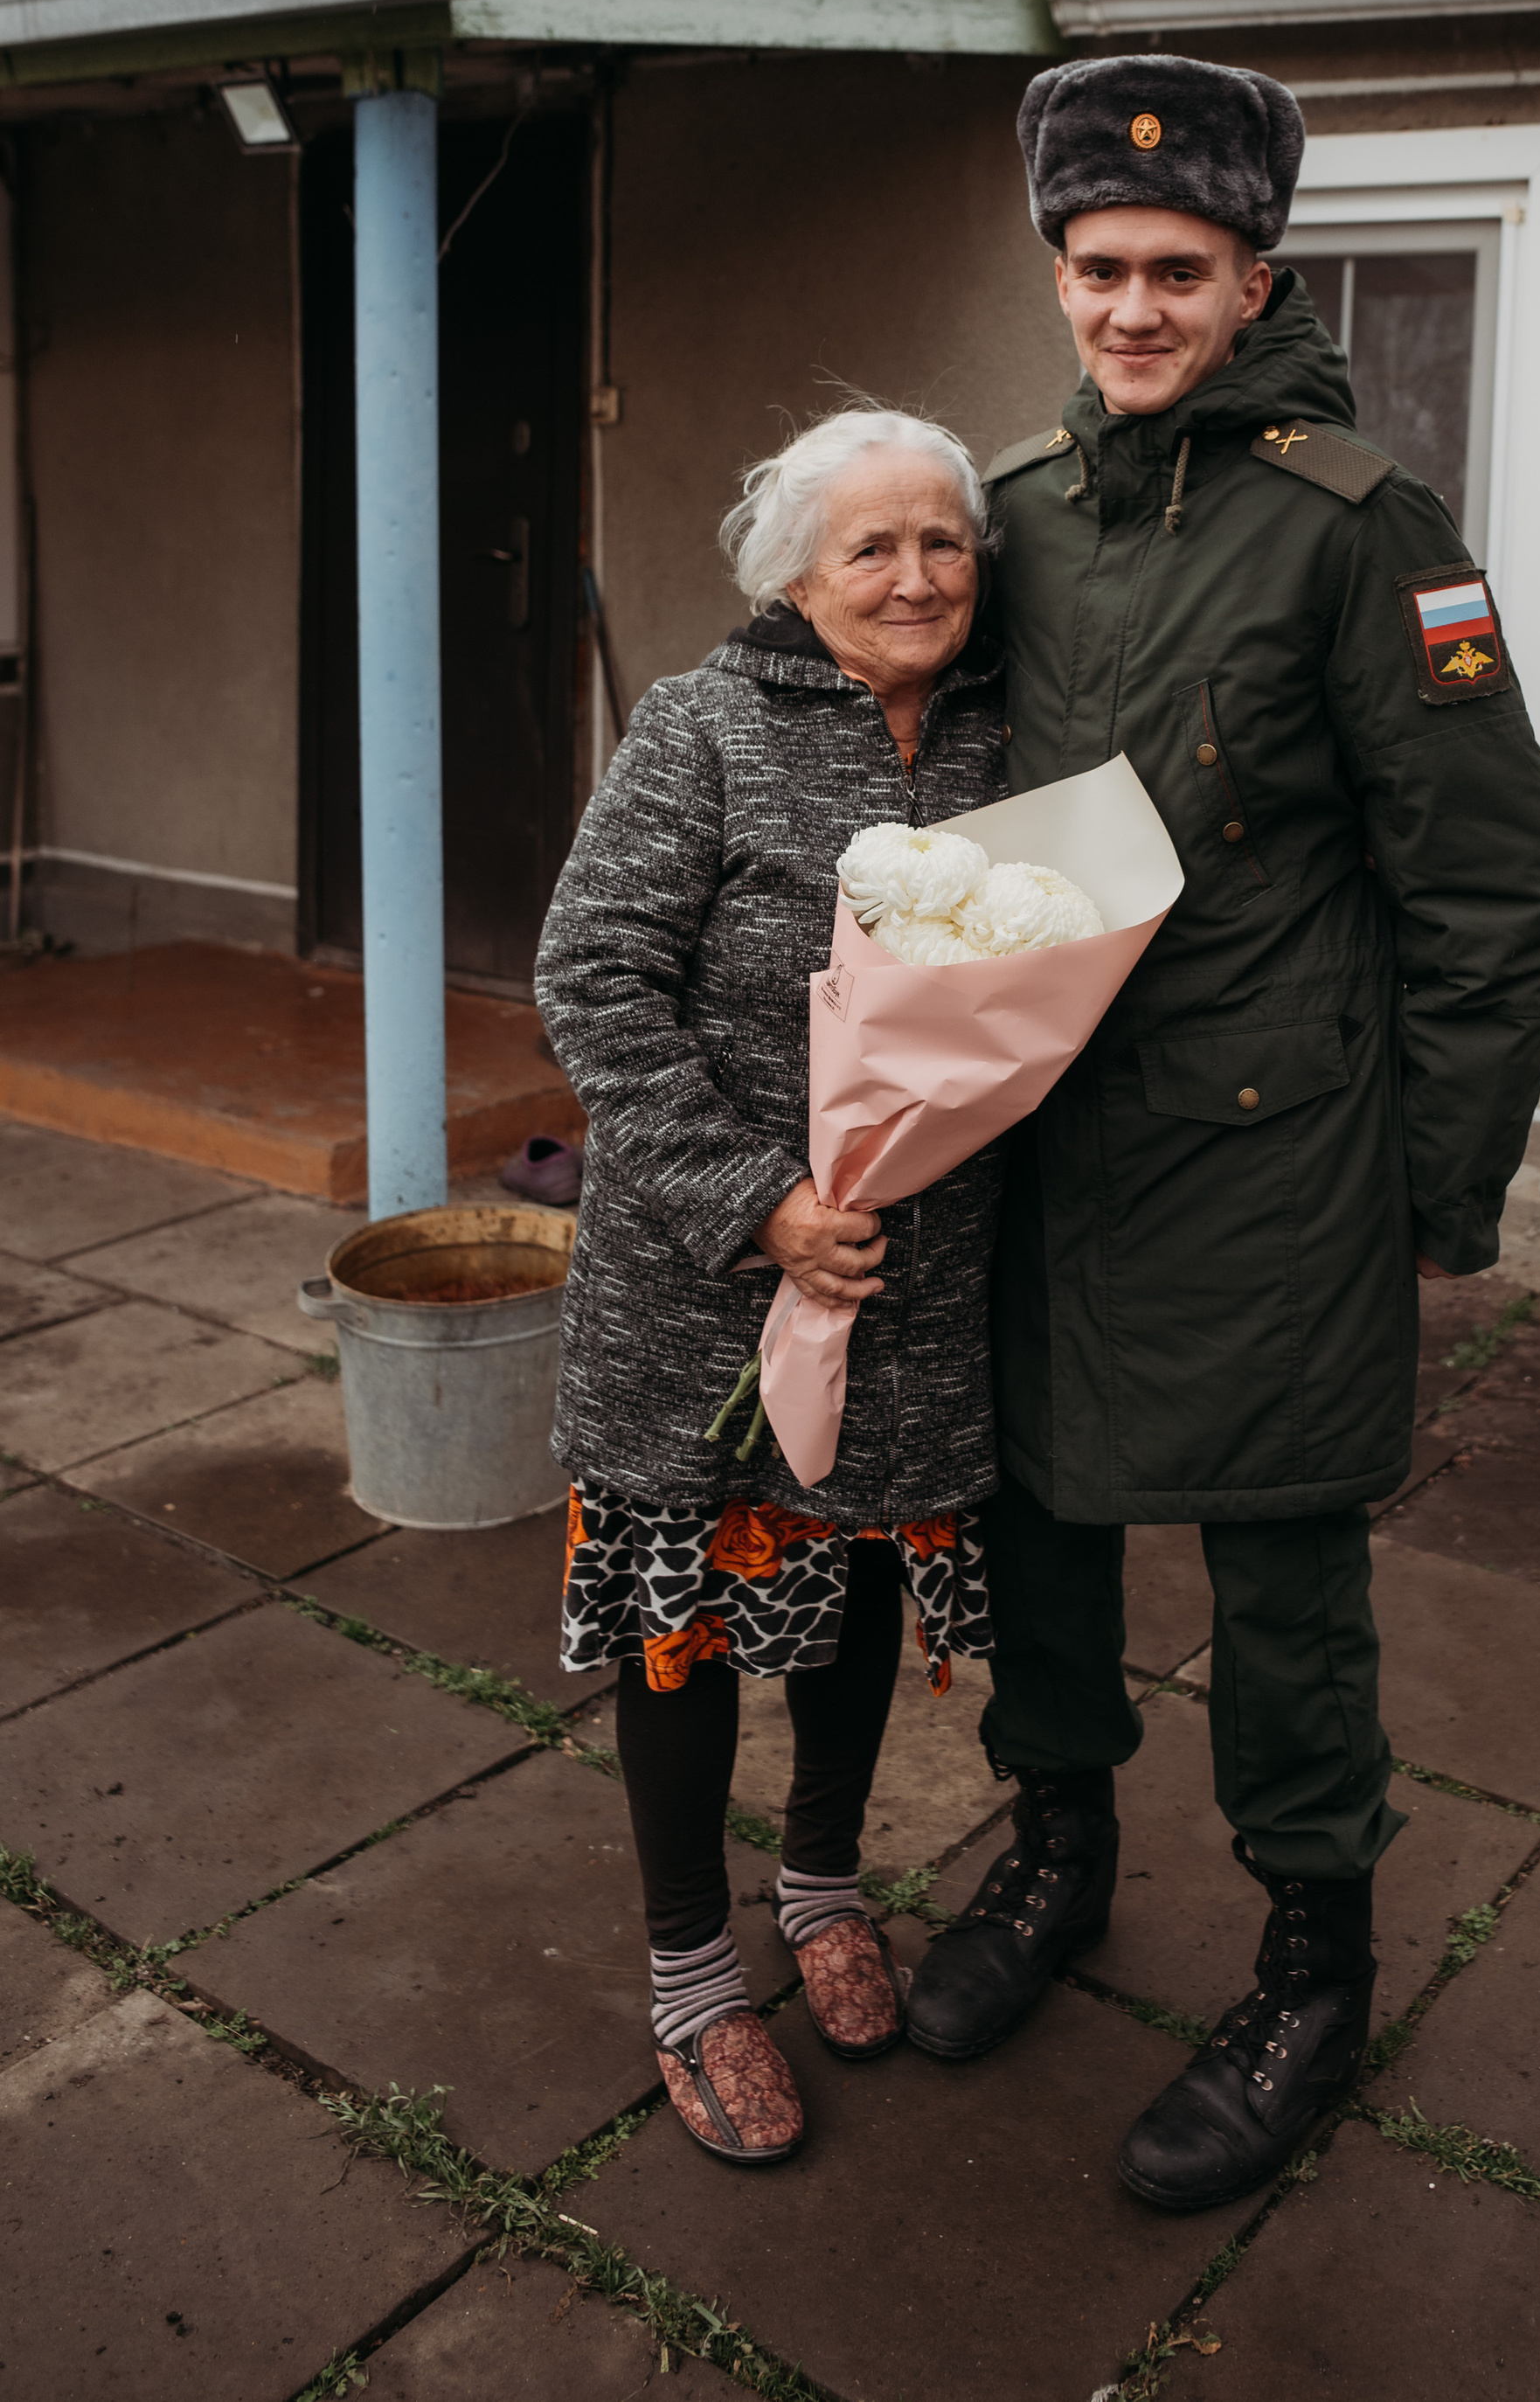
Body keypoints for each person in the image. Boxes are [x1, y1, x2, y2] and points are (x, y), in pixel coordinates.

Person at [905, 57, 1540, 2211]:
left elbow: (1494, 889)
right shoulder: (1009, 508)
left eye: (1173, 269)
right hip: (1038, 1145)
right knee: (1035, 1526)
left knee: (1283, 1573)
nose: (1128, 307)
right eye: (1095, 268)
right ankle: (1059, 1858)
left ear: (1253, 272)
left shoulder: (1360, 522)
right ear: (1056, 275)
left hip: (1276, 1157)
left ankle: (1312, 1957)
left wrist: (1433, 1192)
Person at [536, 406, 1005, 2166]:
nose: (910, 575)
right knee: (684, 1630)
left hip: (906, 1287)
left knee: (856, 1594)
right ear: (793, 573)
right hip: (702, 1292)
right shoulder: (702, 726)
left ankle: (818, 1889)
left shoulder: (998, 744)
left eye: (942, 541)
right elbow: (591, 978)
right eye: (868, 546)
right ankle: (686, 1973)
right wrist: (760, 1203)